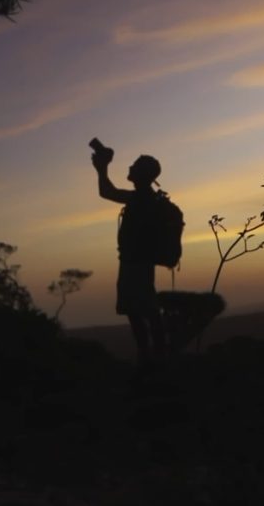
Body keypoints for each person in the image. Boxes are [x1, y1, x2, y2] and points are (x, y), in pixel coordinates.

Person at [91, 142, 168, 367]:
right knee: (140, 309)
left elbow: (107, 192)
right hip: (137, 261)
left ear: (142, 174)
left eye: (134, 166)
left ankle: (152, 357)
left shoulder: (142, 198)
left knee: (140, 310)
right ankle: (155, 355)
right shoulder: (146, 197)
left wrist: (102, 168)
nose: (130, 168)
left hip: (136, 263)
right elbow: (109, 192)